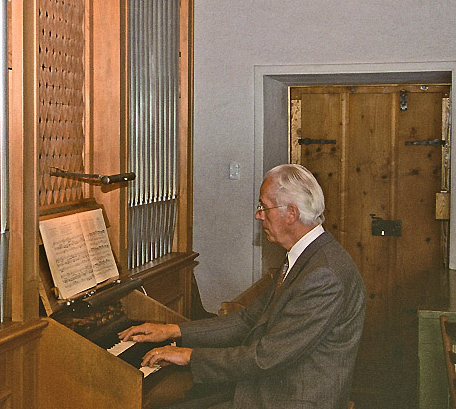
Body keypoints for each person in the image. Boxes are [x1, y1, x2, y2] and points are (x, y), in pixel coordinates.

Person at [118, 164, 366, 409]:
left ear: (291, 213)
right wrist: (173, 331)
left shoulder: (323, 274)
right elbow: (250, 319)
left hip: (291, 399)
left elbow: (266, 357)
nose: (259, 215)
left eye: (264, 207)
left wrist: (189, 356)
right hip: (273, 389)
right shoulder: (305, 258)